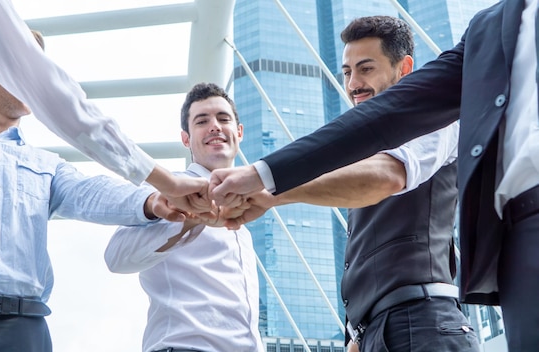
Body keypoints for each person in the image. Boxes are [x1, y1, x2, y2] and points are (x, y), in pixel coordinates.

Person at [210, 0, 539, 350]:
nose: (354, 83)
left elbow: (388, 176)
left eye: (366, 69)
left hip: (426, 324)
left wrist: (272, 191)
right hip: (381, 333)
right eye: (347, 72)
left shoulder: (434, 120)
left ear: (405, 68)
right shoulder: (361, 155)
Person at [0, 2, 209, 350]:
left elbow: (91, 192)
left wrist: (154, 199)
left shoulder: (45, 164)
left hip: (21, 328)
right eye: (29, 65)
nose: (37, 78)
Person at [104, 83, 264, 352]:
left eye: (223, 119)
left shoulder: (244, 212)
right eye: (202, 121)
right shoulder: (162, 194)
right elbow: (116, 257)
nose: (214, 126)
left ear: (239, 132)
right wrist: (188, 218)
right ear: (186, 139)